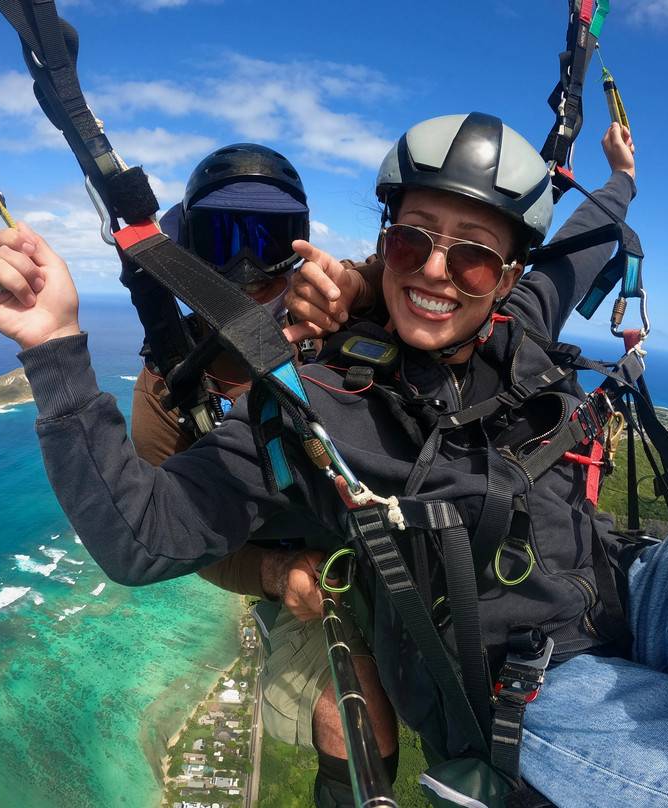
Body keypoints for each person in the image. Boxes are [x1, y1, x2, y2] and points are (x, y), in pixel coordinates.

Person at [0, 114, 668, 808]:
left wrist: (622, 180)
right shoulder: (305, 406)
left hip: (625, 580)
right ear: (386, 238)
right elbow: (145, 537)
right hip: (520, 685)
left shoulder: (518, 326)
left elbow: (581, 242)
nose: (439, 269)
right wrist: (56, 348)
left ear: (510, 275)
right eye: (413, 241)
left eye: (475, 257)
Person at [125, 142, 400, 795]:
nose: (246, 276)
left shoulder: (333, 315)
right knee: (348, 714)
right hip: (304, 566)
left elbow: (403, 264)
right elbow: (176, 540)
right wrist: (274, 574)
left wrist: (351, 289)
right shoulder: (169, 392)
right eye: (224, 249)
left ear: (298, 254)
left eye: (266, 248)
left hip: (389, 531)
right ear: (188, 264)